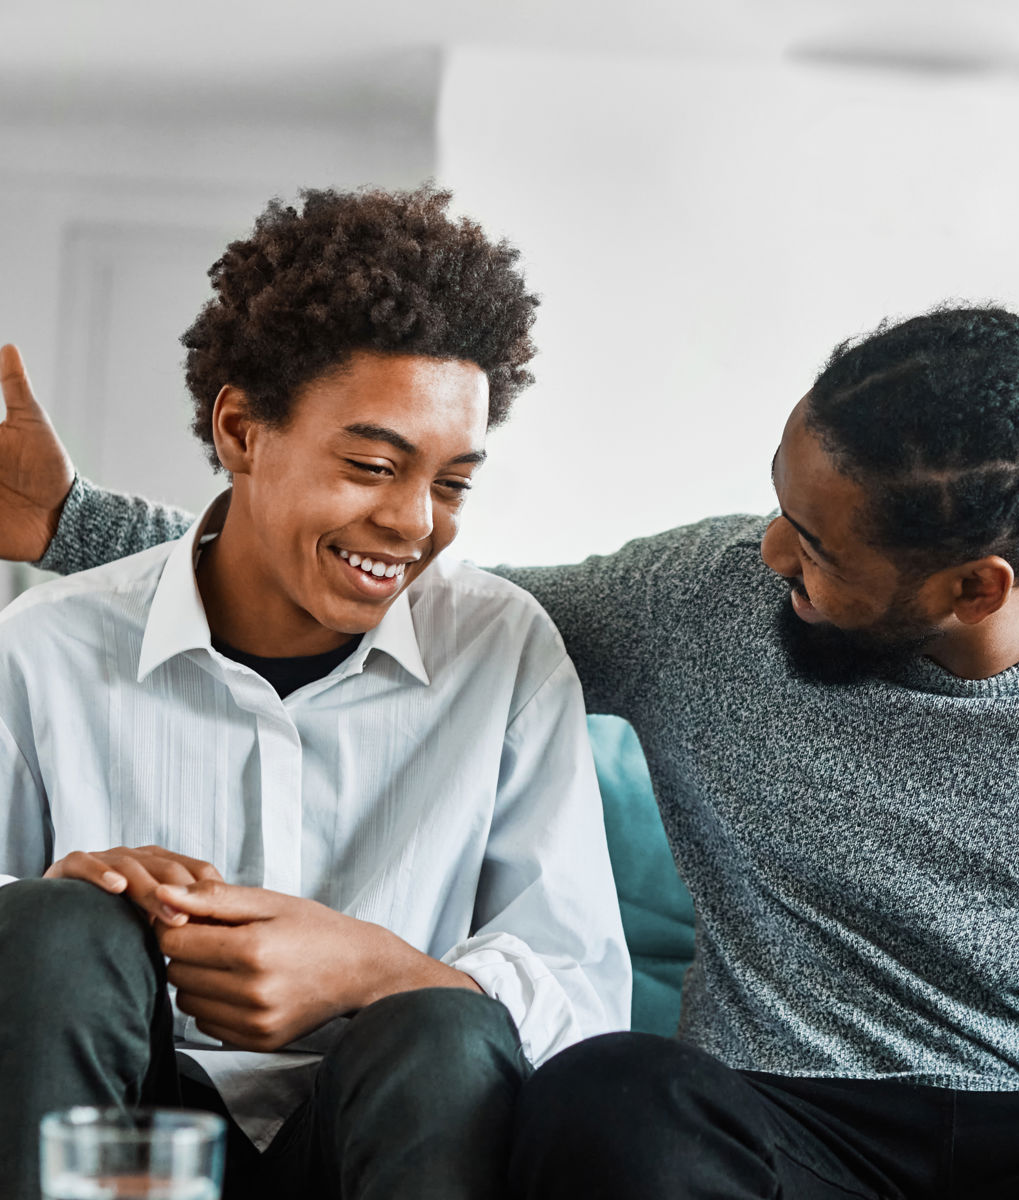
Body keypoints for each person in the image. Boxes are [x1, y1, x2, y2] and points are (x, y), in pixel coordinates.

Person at [2, 304, 1019, 1198]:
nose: (770, 557)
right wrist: (72, 523)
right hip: (764, 1127)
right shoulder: (710, 600)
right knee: (612, 1089)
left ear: (972, 585)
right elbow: (406, 588)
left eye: (818, 549)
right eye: (780, 506)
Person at [0, 186, 630, 1200]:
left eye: (453, 482)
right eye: (374, 465)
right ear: (244, 431)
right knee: (54, 928)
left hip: (385, 1137)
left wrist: (370, 967)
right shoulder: (45, 648)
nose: (414, 521)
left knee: (442, 1025)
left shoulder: (503, 648)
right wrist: (65, 909)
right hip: (122, 1148)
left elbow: (584, 1002)